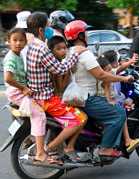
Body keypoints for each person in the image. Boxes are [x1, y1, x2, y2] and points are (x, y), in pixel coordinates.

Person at [64, 20, 135, 157]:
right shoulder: (84, 53)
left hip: (74, 96)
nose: (87, 35)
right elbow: (102, 75)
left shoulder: (69, 52)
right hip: (88, 98)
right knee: (119, 113)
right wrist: (125, 79)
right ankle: (106, 148)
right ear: (79, 36)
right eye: (85, 32)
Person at [26, 12, 88, 164]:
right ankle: (48, 149)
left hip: (36, 95)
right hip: (46, 99)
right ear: (41, 30)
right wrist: (75, 54)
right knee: (80, 119)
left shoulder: (30, 46)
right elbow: (60, 69)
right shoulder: (42, 49)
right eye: (47, 26)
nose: (50, 29)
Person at [3, 28, 50, 164]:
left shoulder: (18, 55)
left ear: (25, 42)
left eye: (21, 40)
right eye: (15, 40)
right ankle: (40, 153)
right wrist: (23, 88)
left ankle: (35, 139)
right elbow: (7, 78)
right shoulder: (11, 57)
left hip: (18, 90)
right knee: (39, 115)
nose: (18, 43)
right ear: (8, 42)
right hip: (16, 92)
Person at [96, 52, 139, 153]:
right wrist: (110, 100)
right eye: (117, 61)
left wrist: (131, 61)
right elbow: (107, 88)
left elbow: (120, 69)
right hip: (104, 101)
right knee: (121, 113)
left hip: (109, 99)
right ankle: (127, 141)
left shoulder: (107, 72)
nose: (111, 71)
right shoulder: (104, 77)